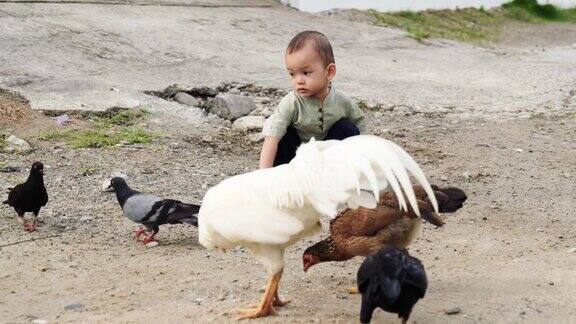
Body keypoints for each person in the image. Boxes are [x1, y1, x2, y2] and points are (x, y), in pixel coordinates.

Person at [259, 30, 365, 168]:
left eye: (305, 73)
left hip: (328, 158)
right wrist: (264, 175)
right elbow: (271, 138)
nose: (298, 81)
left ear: (329, 72)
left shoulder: (342, 102)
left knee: (348, 128)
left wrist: (365, 161)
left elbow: (361, 129)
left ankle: (344, 174)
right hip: (294, 158)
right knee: (284, 134)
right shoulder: (292, 102)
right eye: (292, 74)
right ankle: (282, 176)